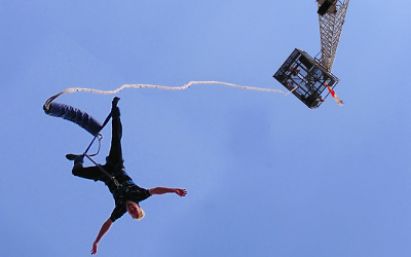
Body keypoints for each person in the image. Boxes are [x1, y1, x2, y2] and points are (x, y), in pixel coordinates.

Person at [66, 97, 187, 254]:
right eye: (134, 209)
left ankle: (78, 159)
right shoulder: (139, 195)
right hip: (116, 167)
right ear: (138, 206)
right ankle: (115, 110)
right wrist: (174, 190)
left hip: (104, 175)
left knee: (76, 172)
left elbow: (108, 224)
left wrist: (97, 241)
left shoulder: (120, 209)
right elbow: (156, 190)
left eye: (131, 212)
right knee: (116, 140)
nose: (131, 208)